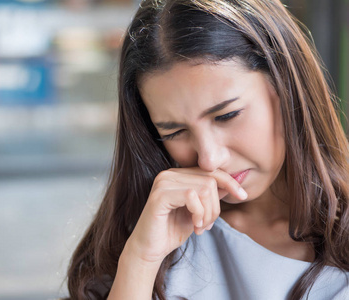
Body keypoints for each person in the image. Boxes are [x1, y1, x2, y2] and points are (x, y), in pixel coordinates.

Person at [65, 0, 349, 299]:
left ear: (288, 88)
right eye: (175, 132)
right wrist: (140, 260)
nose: (210, 158)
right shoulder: (149, 233)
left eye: (227, 116)